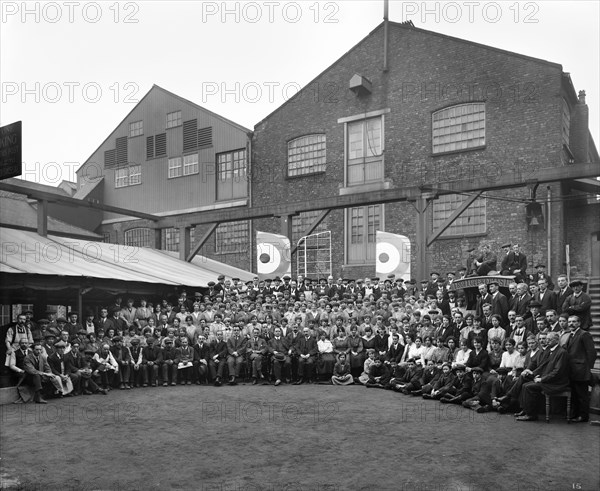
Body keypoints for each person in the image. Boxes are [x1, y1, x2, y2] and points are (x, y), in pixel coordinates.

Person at [516, 332, 569, 421]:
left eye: (549, 339)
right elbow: (542, 366)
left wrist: (542, 379)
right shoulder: (549, 350)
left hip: (556, 383)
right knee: (525, 383)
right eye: (546, 339)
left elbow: (557, 372)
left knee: (528, 387)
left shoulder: (561, 352)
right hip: (548, 380)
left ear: (556, 340)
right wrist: (532, 373)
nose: (547, 341)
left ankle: (531, 415)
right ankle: (526, 411)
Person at [565, 315, 597, 422]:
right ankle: (575, 415)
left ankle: (583, 416)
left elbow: (592, 353)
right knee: (574, 394)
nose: (571, 324)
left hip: (581, 370)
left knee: (582, 395)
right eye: (569, 322)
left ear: (579, 323)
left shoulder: (584, 334)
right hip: (572, 370)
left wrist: (588, 369)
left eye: (574, 322)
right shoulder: (571, 335)